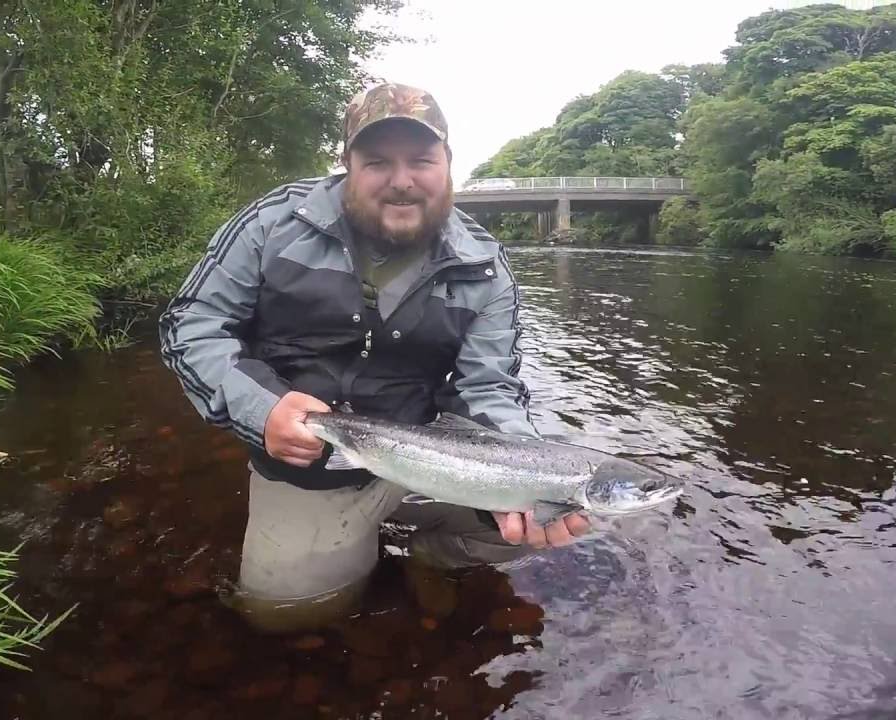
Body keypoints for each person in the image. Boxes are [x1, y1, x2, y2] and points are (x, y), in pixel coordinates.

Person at [159, 82, 590, 628]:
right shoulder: (272, 224)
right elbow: (191, 323)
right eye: (378, 161)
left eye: (421, 160)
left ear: (448, 164)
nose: (402, 181)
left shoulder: (483, 265)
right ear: (347, 165)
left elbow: (490, 387)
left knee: (545, 515)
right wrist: (260, 408)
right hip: (312, 466)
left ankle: (433, 558)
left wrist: (529, 468)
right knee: (282, 616)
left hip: (428, 457)